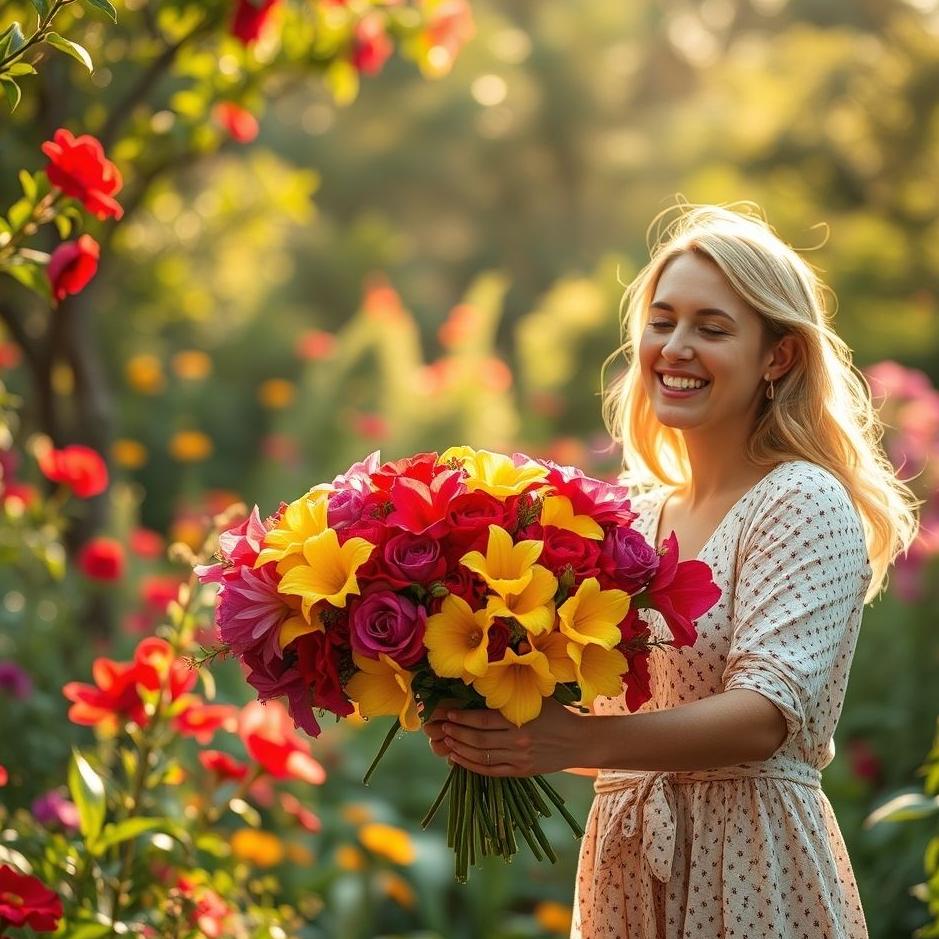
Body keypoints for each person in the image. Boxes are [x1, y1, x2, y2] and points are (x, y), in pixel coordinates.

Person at [422, 203, 920, 938]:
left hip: (748, 868)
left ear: (778, 357)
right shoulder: (632, 517)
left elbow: (763, 715)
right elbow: (620, 730)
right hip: (625, 874)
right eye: (662, 322)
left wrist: (575, 741)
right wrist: (500, 728)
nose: (675, 347)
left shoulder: (801, 497)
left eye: (711, 329)